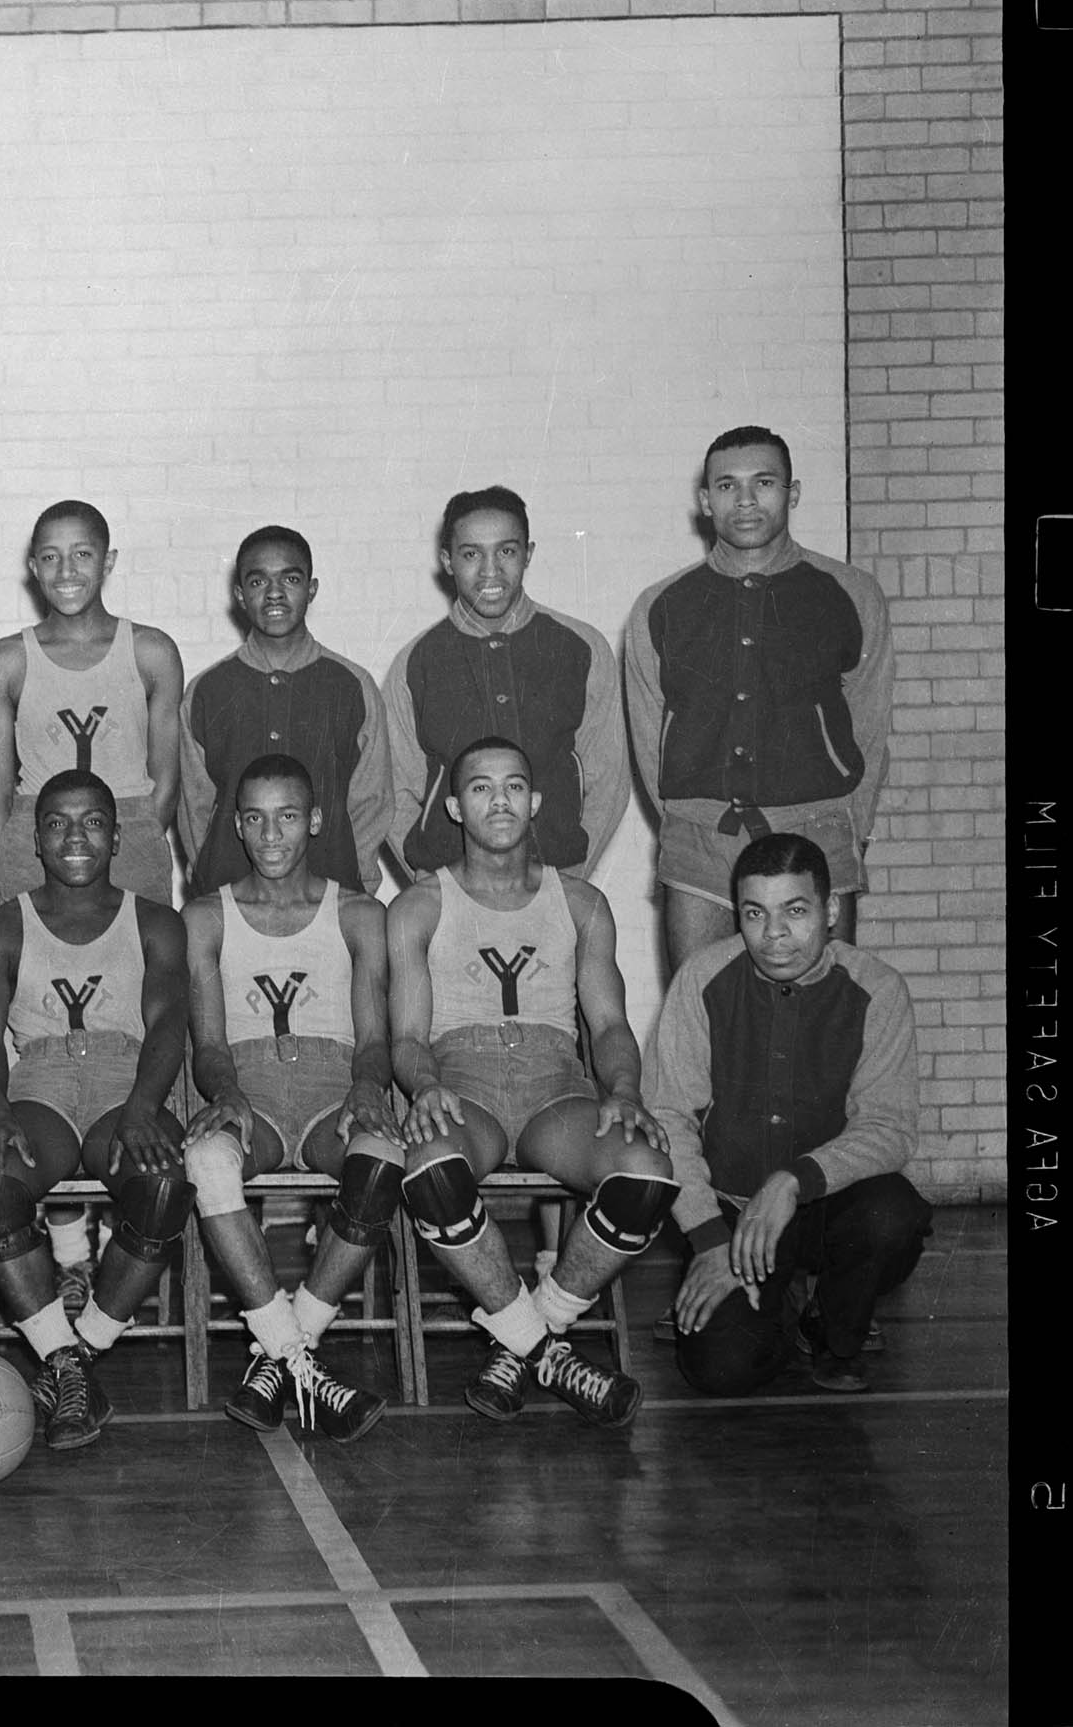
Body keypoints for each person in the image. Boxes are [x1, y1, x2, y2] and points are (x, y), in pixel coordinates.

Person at [387, 737, 674, 1426]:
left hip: (555, 1085)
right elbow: (407, 1038)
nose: (499, 801)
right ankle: (549, 1353)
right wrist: (426, 1085)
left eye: (514, 786)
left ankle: (526, 1339)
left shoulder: (581, 902)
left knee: (647, 1173)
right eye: (480, 788)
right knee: (432, 1170)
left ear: (535, 800)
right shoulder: (420, 905)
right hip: (464, 1080)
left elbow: (608, 1026)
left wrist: (625, 1091)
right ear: (455, 807)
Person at [649, 834, 931, 1395]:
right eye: (755, 913)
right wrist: (709, 1239)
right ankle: (772, 1308)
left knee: (892, 1216)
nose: (774, 934)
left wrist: (795, 1180)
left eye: (795, 911)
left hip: (829, 1209)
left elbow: (890, 1128)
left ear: (831, 911)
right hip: (733, 1216)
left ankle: (831, 1326)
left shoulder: (878, 989)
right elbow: (668, 1118)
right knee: (721, 1370)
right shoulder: (702, 978)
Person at [0, 769, 193, 1451]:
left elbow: (169, 1023)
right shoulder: (0, 925)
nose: (75, 837)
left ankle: (78, 1353)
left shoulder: (155, 921)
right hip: (42, 1082)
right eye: (57, 823)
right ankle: (65, 1361)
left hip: (126, 1080)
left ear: (117, 837)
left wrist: (143, 1108)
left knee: (161, 1183)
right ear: (36, 839)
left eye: (92, 822)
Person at [181, 755, 398, 1442]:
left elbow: (374, 1038)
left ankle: (283, 1354)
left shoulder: (359, 913)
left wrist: (367, 1083)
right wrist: (226, 1091)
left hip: (335, 1086)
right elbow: (208, 1042)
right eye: (255, 818)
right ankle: (301, 1360)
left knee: (382, 1158)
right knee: (207, 1161)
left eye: (287, 816)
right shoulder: (206, 916)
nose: (271, 834)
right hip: (250, 1089)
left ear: (316, 821)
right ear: (237, 825)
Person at [624, 426, 895, 974]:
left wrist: (850, 831)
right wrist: (689, 818)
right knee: (702, 1005)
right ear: (705, 501)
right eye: (727, 486)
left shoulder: (851, 592)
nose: (745, 500)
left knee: (821, 1009)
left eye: (764, 482)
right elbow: (650, 737)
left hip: (817, 832)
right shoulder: (661, 605)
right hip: (700, 845)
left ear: (792, 493)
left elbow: (869, 727)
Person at [384, 487, 626, 884]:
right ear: (447, 561)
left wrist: (572, 877)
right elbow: (394, 789)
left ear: (528, 554)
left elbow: (609, 779)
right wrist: (429, 883)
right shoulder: (417, 661)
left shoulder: (580, 647)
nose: (490, 571)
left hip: (556, 876)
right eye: (471, 554)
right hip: (450, 884)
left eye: (506, 551)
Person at [0, 499, 182, 908]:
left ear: (108, 562)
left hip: (129, 834)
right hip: (37, 835)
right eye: (51, 557)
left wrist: (135, 838)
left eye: (82, 554)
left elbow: (166, 781)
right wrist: (17, 857)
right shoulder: (7, 660)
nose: (66, 571)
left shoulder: (151, 652)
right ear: (34, 567)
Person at [180, 526, 392, 899]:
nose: (274, 592)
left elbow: (370, 800)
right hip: (230, 897)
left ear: (311, 589)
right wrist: (210, 883)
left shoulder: (352, 685)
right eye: (258, 581)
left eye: (290, 579)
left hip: (331, 893)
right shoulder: (207, 691)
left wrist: (357, 888)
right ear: (239, 595)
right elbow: (195, 807)